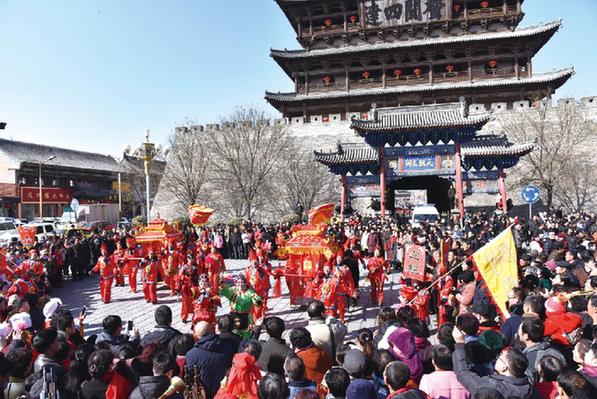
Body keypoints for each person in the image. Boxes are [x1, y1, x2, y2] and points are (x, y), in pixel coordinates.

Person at [451, 326, 536, 398]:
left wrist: (459, 344)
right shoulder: (531, 389)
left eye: (500, 357)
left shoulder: (493, 386)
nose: (497, 358)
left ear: (504, 367)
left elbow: (463, 373)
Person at [185, 321, 231, 399]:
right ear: (212, 331)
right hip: (223, 390)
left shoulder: (191, 354)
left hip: (203, 393)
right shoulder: (228, 348)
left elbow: (191, 374)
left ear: (196, 336)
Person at [518, 317, 566, 384]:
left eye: (519, 330)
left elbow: (530, 382)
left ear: (526, 336)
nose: (518, 333)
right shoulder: (556, 351)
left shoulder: (528, 359)